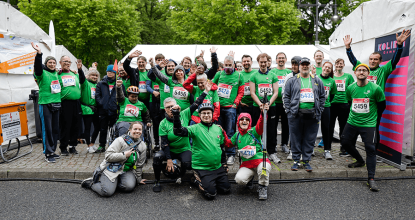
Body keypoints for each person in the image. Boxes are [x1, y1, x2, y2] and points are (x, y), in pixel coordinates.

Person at [153, 81, 212, 192]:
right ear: (164, 109)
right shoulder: (163, 123)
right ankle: (157, 180)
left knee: (188, 163)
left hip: (184, 149)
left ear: (177, 106)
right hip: (170, 149)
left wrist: (206, 91)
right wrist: (169, 159)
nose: (170, 109)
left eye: (172, 106)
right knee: (157, 157)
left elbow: (197, 103)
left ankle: (180, 174)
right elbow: (164, 143)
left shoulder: (185, 114)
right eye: (167, 107)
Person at [341, 63, 386, 192]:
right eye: (359, 70)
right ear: (355, 73)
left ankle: (371, 178)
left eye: (364, 70)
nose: (361, 72)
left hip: (369, 124)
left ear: (368, 73)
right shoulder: (350, 88)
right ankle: (360, 160)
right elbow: (350, 102)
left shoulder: (376, 88)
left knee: (370, 149)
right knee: (345, 142)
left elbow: (382, 105)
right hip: (352, 122)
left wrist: (374, 119)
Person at [173, 102, 230, 200]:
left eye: (208, 113)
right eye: (203, 113)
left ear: (212, 114)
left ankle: (210, 181)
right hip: (202, 167)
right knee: (210, 194)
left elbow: (221, 147)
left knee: (226, 190)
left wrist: (224, 163)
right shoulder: (195, 128)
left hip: (217, 167)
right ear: (199, 115)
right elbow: (178, 131)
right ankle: (196, 179)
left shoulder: (218, 129)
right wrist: (176, 115)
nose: (206, 115)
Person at [81, 122, 147, 197]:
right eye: (135, 129)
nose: (137, 131)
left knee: (129, 187)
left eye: (140, 129)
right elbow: (108, 156)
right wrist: (124, 155)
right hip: (111, 168)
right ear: (130, 129)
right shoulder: (120, 140)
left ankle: (113, 184)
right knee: (106, 192)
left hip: (125, 170)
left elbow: (139, 165)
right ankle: (91, 183)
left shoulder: (142, 146)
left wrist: (138, 179)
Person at [283, 57, 325, 172]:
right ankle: (296, 161)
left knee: (310, 138)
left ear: (310, 66)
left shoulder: (317, 80)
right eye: (303, 65)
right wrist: (288, 110)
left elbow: (322, 96)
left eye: (307, 64)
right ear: (299, 66)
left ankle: (306, 161)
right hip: (295, 114)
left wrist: (320, 110)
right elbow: (286, 96)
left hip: (313, 114)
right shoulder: (292, 80)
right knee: (295, 138)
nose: (305, 66)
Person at [223, 106, 271, 200]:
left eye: (246, 119)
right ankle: (250, 178)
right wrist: (222, 132)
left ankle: (262, 187)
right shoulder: (237, 135)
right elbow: (228, 144)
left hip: (260, 160)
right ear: (238, 122)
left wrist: (262, 113)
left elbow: (260, 124)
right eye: (241, 119)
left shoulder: (254, 131)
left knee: (263, 170)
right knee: (239, 179)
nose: (244, 121)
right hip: (247, 164)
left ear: (249, 122)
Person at [212, 55, 244, 165]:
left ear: (234, 65)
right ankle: (220, 154)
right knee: (218, 131)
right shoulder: (219, 74)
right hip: (218, 108)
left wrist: (236, 103)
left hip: (231, 108)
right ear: (223, 64)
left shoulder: (239, 75)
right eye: (226, 65)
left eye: (230, 65)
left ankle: (230, 154)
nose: (228, 67)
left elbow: (241, 91)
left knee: (230, 131)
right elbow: (211, 86)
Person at [31, 42, 61, 163]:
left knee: (55, 129)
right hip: (45, 104)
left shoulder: (56, 74)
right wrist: (39, 54)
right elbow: (37, 67)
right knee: (47, 129)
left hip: (57, 103)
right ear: (46, 64)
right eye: (50, 62)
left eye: (54, 63)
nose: (52, 64)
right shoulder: (42, 73)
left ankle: (53, 150)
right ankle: (48, 153)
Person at [249, 53, 280, 163]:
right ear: (258, 62)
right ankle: (257, 151)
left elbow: (276, 92)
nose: (263, 64)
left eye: (265, 62)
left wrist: (269, 104)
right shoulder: (253, 76)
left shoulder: (273, 75)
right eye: (261, 62)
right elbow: (252, 93)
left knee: (272, 129)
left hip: (271, 106)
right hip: (257, 107)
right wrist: (260, 104)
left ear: (268, 62)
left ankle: (272, 152)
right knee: (257, 129)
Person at [58, 55, 85, 155]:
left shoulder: (75, 74)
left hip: (76, 103)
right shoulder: (57, 74)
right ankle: (63, 148)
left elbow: (82, 80)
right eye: (65, 61)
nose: (67, 63)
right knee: (65, 125)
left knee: (75, 125)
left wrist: (79, 69)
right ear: (60, 62)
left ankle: (72, 146)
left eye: (69, 62)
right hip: (65, 103)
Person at [95, 65, 124, 153]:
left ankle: (114, 146)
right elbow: (97, 96)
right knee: (103, 128)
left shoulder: (119, 83)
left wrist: (118, 106)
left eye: (111, 72)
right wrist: (102, 103)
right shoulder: (101, 83)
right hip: (103, 110)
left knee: (114, 129)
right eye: (108, 72)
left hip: (114, 110)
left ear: (115, 73)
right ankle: (101, 145)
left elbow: (123, 96)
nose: (109, 73)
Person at [329, 58, 355, 157]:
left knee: (343, 127)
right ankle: (328, 147)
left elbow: (352, 89)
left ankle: (343, 147)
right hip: (332, 104)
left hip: (344, 104)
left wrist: (350, 102)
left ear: (343, 65)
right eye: (337, 63)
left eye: (341, 63)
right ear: (334, 65)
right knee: (330, 126)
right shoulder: (331, 76)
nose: (339, 65)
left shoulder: (348, 76)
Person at [270, 52, 291, 154]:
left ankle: (284, 144)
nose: (281, 60)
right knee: (273, 125)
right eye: (279, 58)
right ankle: (273, 145)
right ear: (276, 60)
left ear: (286, 59)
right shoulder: (272, 72)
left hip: (285, 103)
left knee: (286, 125)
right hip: (274, 103)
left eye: (283, 58)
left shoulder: (289, 72)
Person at [282, 56, 301, 160]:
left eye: (296, 64)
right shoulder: (288, 76)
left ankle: (302, 151)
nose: (294, 66)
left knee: (301, 131)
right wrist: (287, 109)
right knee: (292, 131)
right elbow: (284, 93)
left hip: (302, 109)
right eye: (292, 64)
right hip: (291, 110)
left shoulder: (305, 76)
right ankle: (293, 151)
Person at [317, 62, 337, 160]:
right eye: (326, 67)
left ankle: (327, 150)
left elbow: (332, 95)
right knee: (313, 128)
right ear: (322, 67)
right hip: (315, 107)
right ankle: (310, 149)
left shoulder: (332, 81)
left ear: (331, 70)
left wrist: (326, 102)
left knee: (326, 129)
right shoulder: (315, 78)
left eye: (329, 68)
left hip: (326, 107)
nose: (327, 69)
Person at [80, 68, 100, 153]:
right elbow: (81, 78)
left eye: (96, 75)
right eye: (92, 75)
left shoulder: (97, 85)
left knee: (97, 127)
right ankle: (88, 145)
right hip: (87, 109)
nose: (94, 77)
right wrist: (80, 69)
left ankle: (92, 143)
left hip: (96, 109)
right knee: (87, 128)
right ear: (88, 75)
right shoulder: (85, 83)